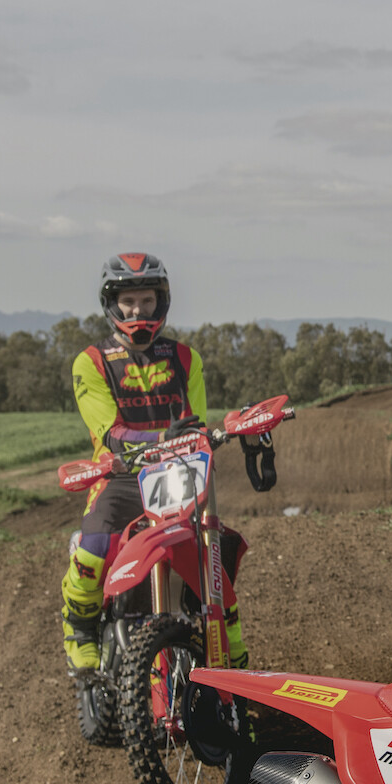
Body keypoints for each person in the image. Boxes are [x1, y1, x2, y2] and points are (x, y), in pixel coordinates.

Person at [59, 253, 249, 675]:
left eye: (146, 300)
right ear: (113, 304)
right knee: (95, 549)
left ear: (160, 302)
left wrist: (199, 440)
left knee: (211, 556)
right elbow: (109, 432)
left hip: (178, 473)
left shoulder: (186, 358)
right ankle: (80, 628)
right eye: (128, 301)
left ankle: (235, 661)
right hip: (120, 474)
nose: (137, 310)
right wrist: (162, 438)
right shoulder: (90, 362)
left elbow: (195, 425)